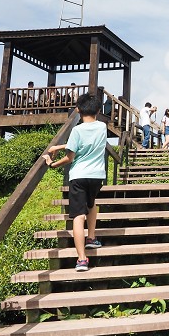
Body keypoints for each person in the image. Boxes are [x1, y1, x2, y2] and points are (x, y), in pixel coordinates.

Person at [42, 93, 107, 272]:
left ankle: (82, 259)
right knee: (92, 204)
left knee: (78, 216)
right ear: (99, 110)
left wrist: (52, 164)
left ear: (77, 110)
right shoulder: (102, 127)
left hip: (79, 176)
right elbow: (85, 143)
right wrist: (59, 146)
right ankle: (91, 238)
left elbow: (71, 157)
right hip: (97, 176)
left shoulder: (77, 131)